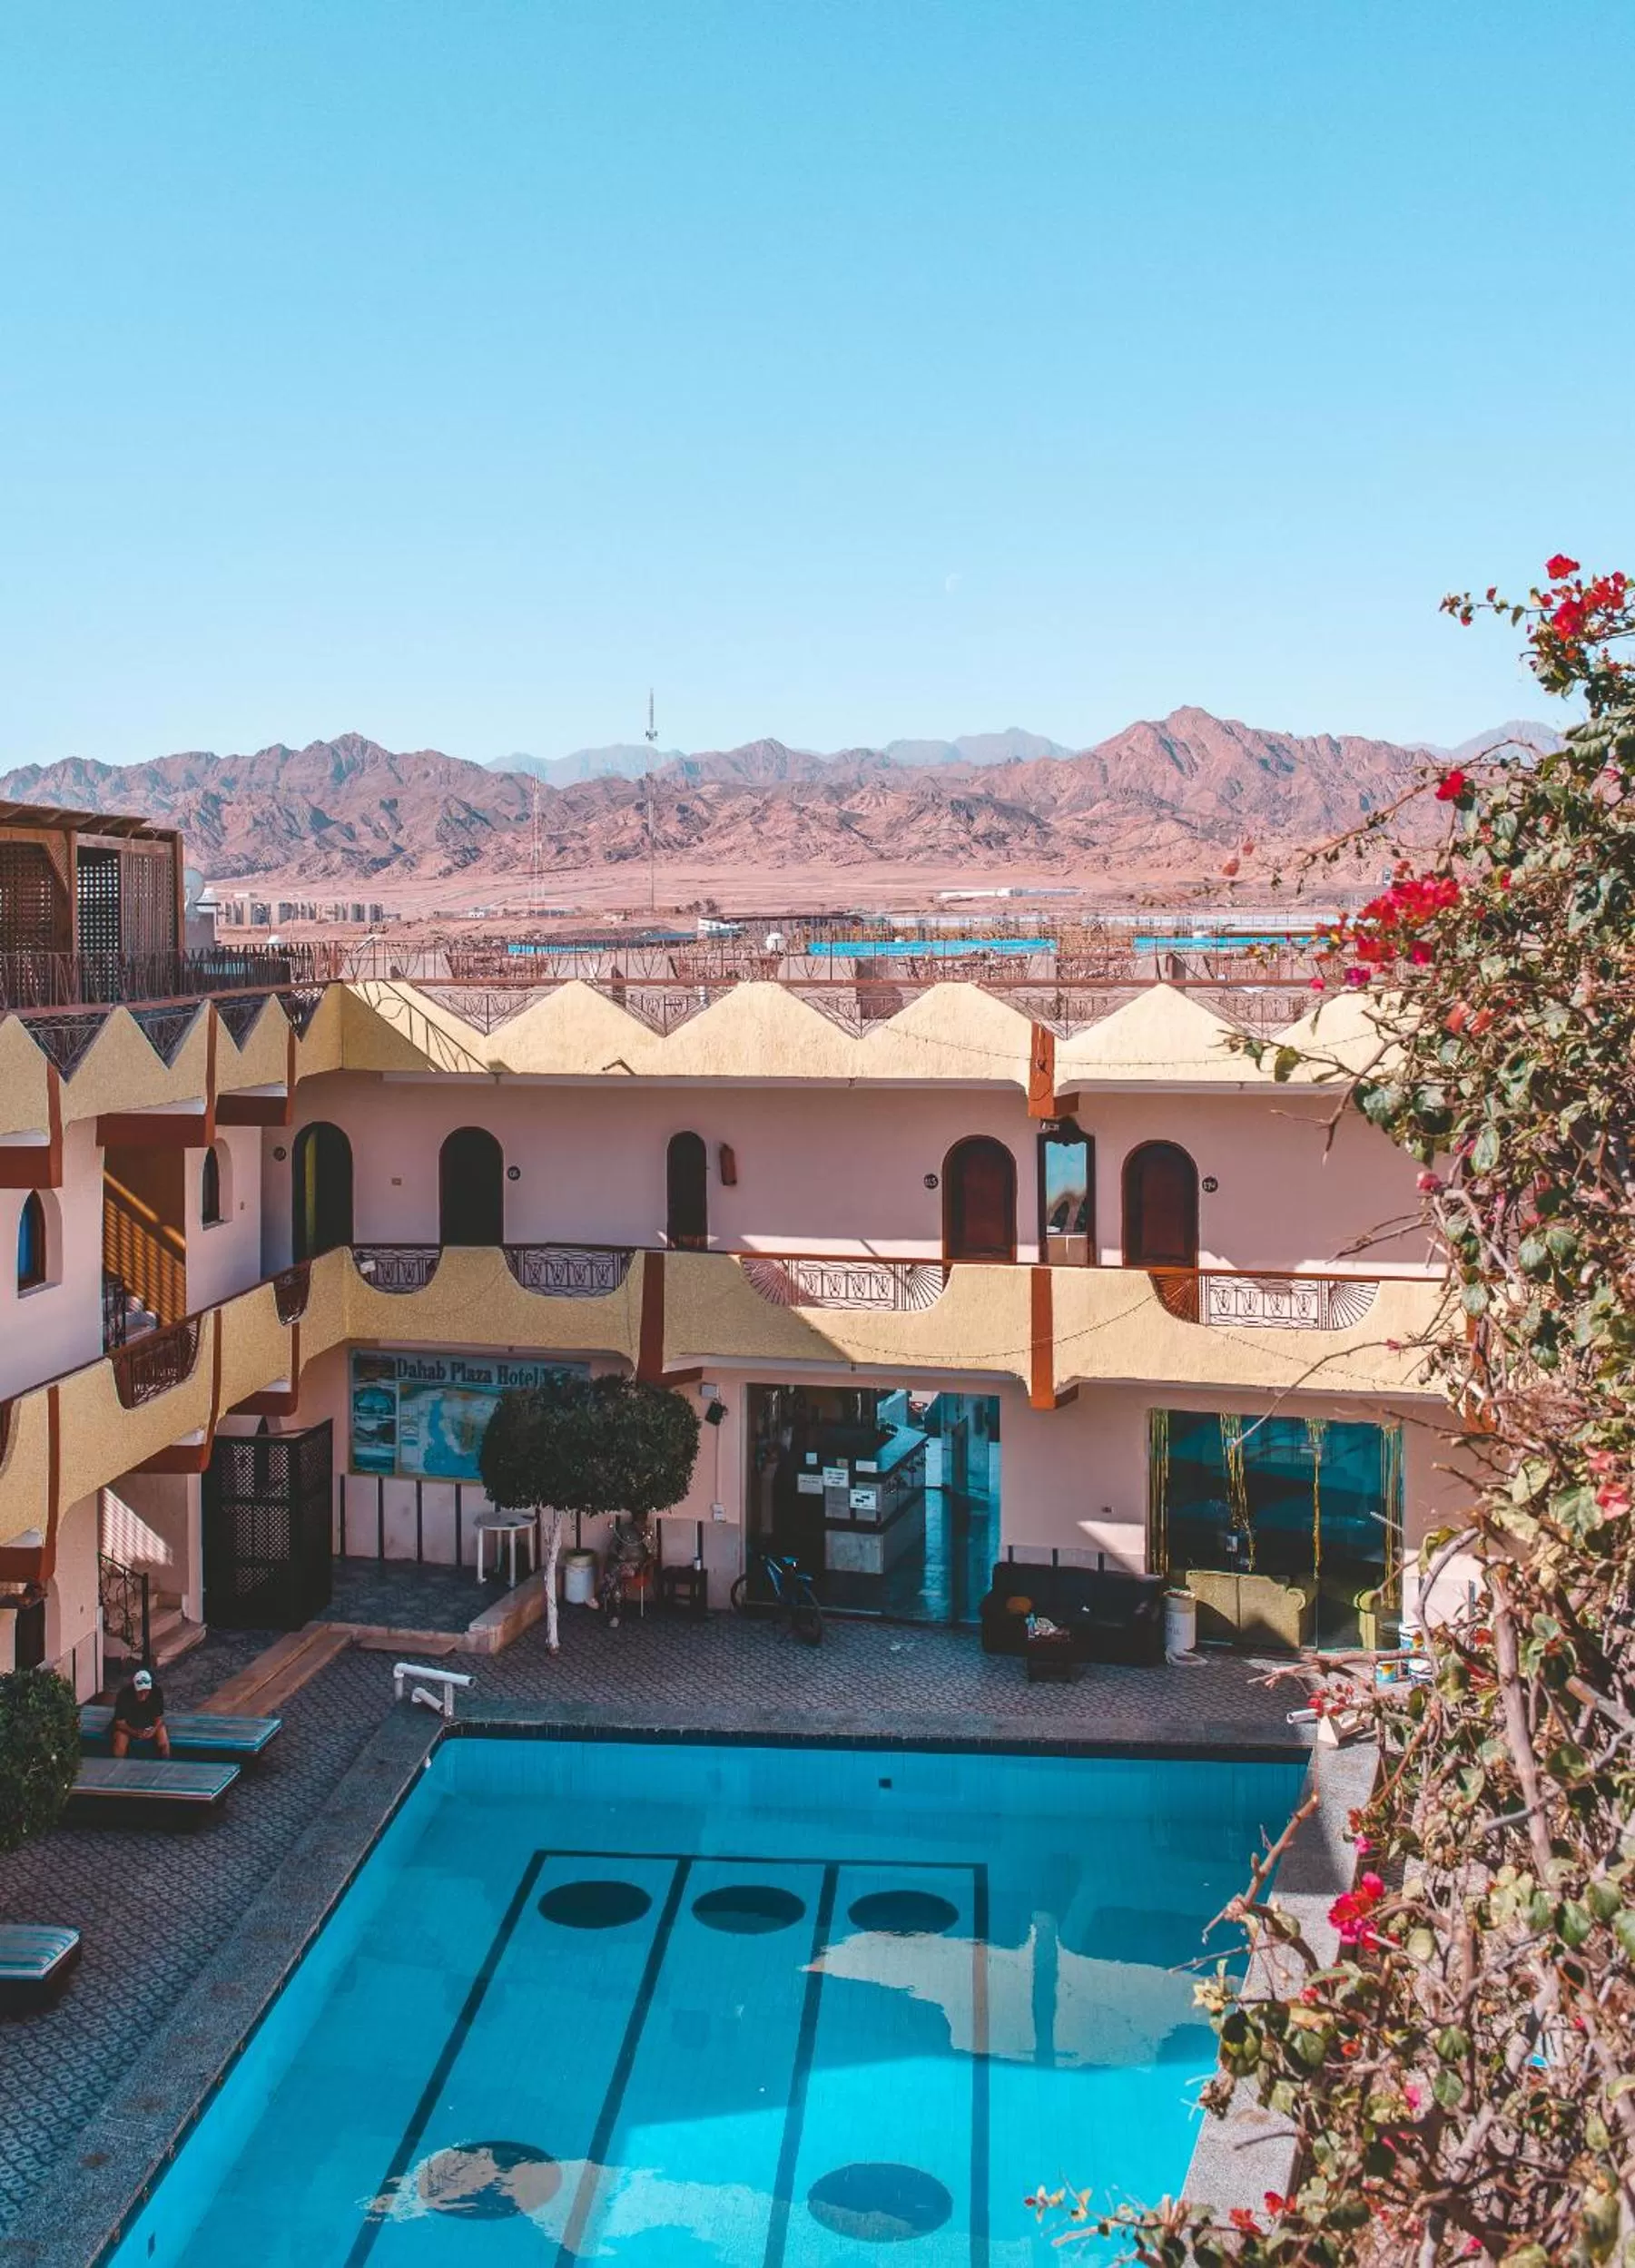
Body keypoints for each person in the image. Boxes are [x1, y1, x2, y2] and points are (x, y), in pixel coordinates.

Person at [111, 1667, 171, 1759]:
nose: (143, 1694)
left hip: (148, 1723)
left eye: (146, 1691)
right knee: (120, 1744)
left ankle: (166, 1761)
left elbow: (159, 1718)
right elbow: (120, 1723)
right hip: (128, 1725)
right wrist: (134, 1732)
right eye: (140, 1691)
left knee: (164, 1742)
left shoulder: (156, 1692)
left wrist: (153, 1730)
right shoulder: (124, 1695)